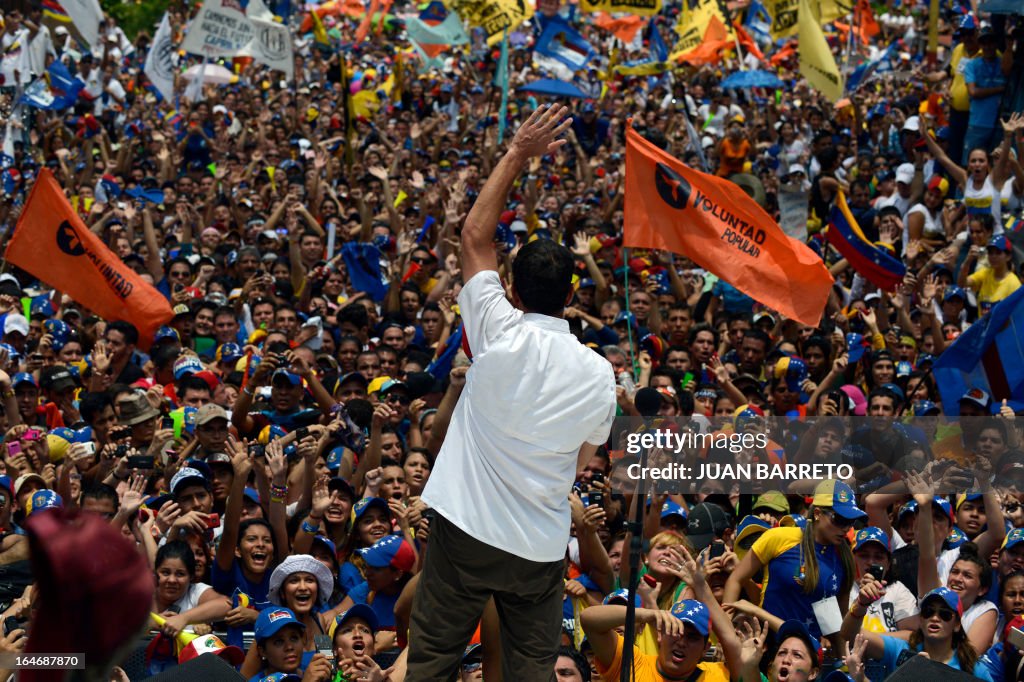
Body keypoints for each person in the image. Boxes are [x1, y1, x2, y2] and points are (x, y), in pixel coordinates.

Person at [407, 104, 617, 680]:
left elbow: (473, 234)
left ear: (512, 290)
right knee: (534, 669)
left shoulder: (496, 328)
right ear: (570, 295)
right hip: (538, 549)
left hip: (464, 533)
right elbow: (581, 461)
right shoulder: (600, 375)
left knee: (432, 659)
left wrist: (519, 152)